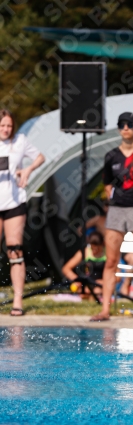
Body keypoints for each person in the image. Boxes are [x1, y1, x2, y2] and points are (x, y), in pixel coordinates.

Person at [90, 112, 133, 322]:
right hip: (117, 210)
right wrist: (115, 201)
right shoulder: (111, 156)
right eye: (122, 124)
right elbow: (107, 184)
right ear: (119, 129)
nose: (126, 127)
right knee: (111, 260)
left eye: (130, 124)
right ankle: (105, 310)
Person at [0, 109, 45, 316]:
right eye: (2, 126)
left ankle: (17, 300)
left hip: (15, 202)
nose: (6, 129)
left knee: (15, 250)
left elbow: (40, 157)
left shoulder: (20, 141)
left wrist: (28, 170)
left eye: (9, 125)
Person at [62, 231, 106, 299]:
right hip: (87, 284)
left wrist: (103, 281)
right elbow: (66, 269)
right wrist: (77, 280)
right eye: (92, 248)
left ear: (102, 244)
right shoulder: (85, 252)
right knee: (85, 292)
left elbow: (117, 277)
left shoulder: (108, 254)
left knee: (97, 292)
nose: (94, 251)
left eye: (97, 249)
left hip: (101, 285)